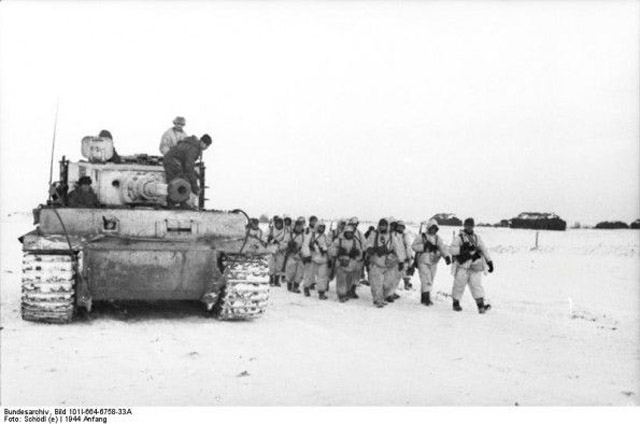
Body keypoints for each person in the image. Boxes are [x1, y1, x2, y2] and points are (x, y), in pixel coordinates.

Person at [449, 218, 494, 314]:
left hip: (475, 266)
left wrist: (489, 261)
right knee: (459, 285)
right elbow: (452, 250)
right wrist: (461, 249)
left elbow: (484, 249)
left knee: (476, 286)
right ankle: (456, 303)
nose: (469, 227)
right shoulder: (459, 238)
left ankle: (481, 306)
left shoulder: (477, 238)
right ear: (464, 225)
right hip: (463, 266)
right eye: (467, 225)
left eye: (471, 225)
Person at [365, 218, 406, 308]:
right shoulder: (374, 234)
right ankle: (378, 300)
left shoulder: (391, 236)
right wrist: (371, 249)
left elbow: (397, 248)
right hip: (375, 261)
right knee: (376, 282)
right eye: (381, 224)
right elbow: (368, 244)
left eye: (384, 224)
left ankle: (382, 297)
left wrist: (401, 261)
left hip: (387, 262)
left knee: (387, 283)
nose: (382, 226)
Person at [163, 134, 212, 208]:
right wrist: (195, 187)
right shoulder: (193, 149)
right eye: (206, 145)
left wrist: (197, 176)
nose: (206, 148)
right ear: (202, 142)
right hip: (172, 162)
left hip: (171, 161)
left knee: (175, 182)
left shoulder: (194, 146)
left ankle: (175, 203)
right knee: (182, 182)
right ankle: (179, 203)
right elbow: (189, 169)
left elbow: (187, 166)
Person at [411, 219, 451, 306]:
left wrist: (447, 256)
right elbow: (413, 246)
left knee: (430, 279)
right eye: (432, 228)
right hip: (423, 261)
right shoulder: (421, 236)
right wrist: (424, 247)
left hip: (434, 261)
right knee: (426, 280)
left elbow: (442, 248)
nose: (433, 229)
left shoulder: (438, 238)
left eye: (435, 228)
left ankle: (424, 297)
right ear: (428, 227)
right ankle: (426, 299)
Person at [329, 224, 363, 302]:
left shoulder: (355, 241)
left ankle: (347, 292)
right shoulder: (339, 240)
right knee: (341, 280)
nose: (349, 234)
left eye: (350, 233)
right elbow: (331, 250)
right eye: (347, 232)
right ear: (345, 232)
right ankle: (341, 295)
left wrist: (357, 253)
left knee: (349, 281)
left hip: (351, 265)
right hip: (341, 263)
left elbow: (360, 253)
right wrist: (338, 252)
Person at [302, 221, 330, 300]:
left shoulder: (325, 236)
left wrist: (326, 251)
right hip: (312, 258)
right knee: (309, 275)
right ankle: (306, 288)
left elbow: (328, 246)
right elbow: (305, 245)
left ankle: (321, 292)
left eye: (323, 227)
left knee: (322, 277)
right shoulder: (311, 235)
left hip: (323, 260)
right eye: (320, 227)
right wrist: (307, 255)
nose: (322, 229)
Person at [283, 217, 307, 293]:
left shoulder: (304, 236)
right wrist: (289, 245)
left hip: (300, 255)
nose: (299, 227)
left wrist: (303, 253)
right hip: (291, 255)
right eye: (298, 226)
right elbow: (283, 243)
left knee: (300, 272)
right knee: (291, 270)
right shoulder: (289, 234)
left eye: (301, 226)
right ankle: (289, 283)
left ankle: (296, 286)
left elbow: (305, 245)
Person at [266, 216, 288, 286]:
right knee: (270, 264)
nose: (279, 225)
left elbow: (286, 242)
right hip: (271, 249)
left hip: (280, 250)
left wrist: (278, 243)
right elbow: (263, 237)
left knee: (279, 265)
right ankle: (271, 279)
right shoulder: (270, 229)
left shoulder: (285, 231)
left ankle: (276, 280)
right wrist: (268, 239)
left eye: (280, 223)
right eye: (277, 223)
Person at [394, 220, 414, 291]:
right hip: (395, 259)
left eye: (402, 227)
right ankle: (391, 291)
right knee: (395, 276)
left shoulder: (405, 236)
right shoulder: (393, 235)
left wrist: (410, 257)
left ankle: (407, 284)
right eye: (399, 226)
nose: (400, 228)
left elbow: (408, 247)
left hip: (404, 258)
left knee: (406, 272)